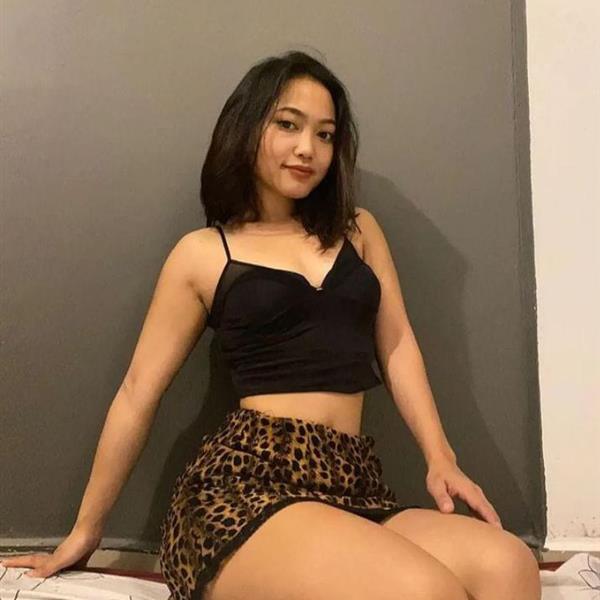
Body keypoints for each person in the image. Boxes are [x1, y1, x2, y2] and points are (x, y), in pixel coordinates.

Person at [1, 50, 541, 600]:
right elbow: (138, 392)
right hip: (244, 490)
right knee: (425, 592)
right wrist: (86, 530)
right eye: (288, 125)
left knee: (510, 566)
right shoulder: (204, 253)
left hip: (351, 483)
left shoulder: (358, 231)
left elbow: (398, 345)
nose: (308, 148)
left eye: (325, 134)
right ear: (248, 127)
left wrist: (440, 456)